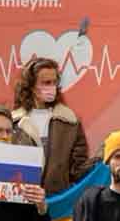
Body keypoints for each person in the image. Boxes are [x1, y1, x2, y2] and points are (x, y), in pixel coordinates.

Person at [11, 57, 92, 194]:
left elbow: (78, 169)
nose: (51, 87)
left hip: (57, 201)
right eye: (46, 83)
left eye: (54, 82)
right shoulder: (13, 122)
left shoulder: (70, 121)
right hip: (21, 200)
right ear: (31, 86)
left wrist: (102, 158)